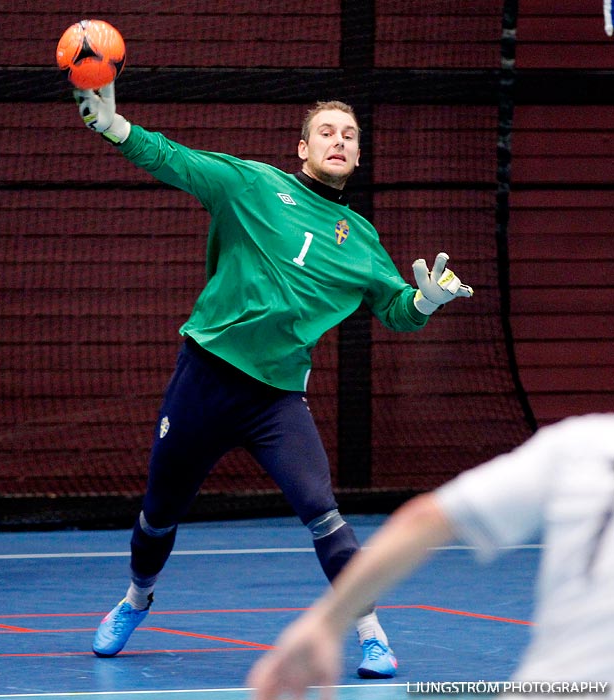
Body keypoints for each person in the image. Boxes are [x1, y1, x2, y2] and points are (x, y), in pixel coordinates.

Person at [72, 83, 474, 677]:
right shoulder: (254, 185)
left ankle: (371, 634)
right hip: (206, 378)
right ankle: (137, 599)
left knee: (323, 511)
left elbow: (396, 310)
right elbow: (174, 159)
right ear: (303, 149)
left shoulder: (360, 238)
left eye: (350, 135)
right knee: (158, 513)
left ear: (358, 156)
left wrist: (425, 303)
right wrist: (113, 125)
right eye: (327, 132)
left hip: (276, 398)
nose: (339, 141)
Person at [247, 413, 614, 699]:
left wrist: (325, 623)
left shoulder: (581, 445)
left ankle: (371, 636)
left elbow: (423, 520)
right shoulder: (578, 447)